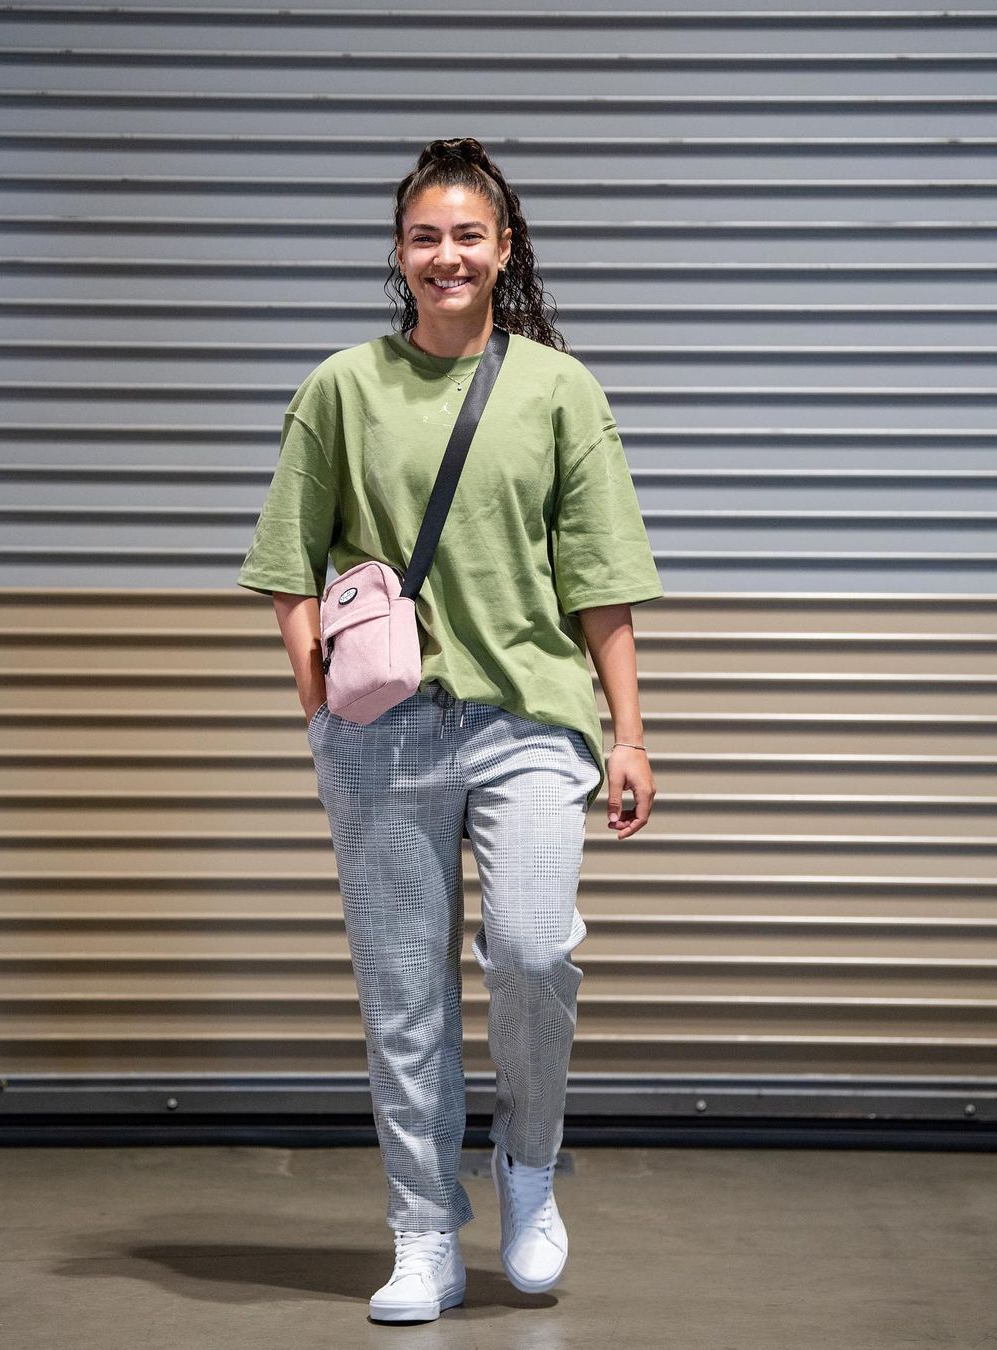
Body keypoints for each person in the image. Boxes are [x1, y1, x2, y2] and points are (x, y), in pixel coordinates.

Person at [236, 136, 664, 1322]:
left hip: (530, 717)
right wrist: (319, 710)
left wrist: (629, 734)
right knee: (403, 994)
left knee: (532, 951)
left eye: (469, 235)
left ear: (504, 248)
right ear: (399, 253)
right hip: (385, 733)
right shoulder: (342, 388)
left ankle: (527, 1166)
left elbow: (602, 577)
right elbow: (285, 564)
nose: (447, 256)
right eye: (425, 237)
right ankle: (424, 1231)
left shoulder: (560, 390)